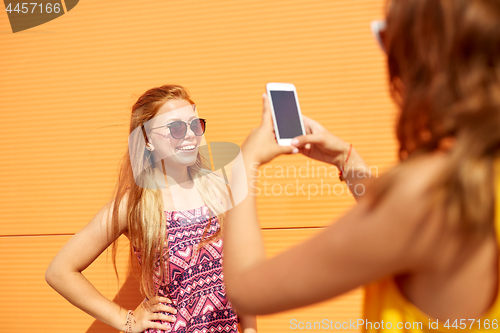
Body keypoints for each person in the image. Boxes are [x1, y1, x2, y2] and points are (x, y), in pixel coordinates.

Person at [222, 0, 500, 332]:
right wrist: (346, 160)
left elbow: (245, 289)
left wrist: (244, 162)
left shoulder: (426, 195)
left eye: (387, 39)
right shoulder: (479, 173)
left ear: (421, 55)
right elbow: (396, 228)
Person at [45, 85, 257, 333]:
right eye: (175, 128)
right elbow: (59, 271)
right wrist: (126, 320)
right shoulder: (135, 205)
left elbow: (242, 269)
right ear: (146, 140)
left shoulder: (219, 190)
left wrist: (251, 328)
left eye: (194, 125)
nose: (190, 135)